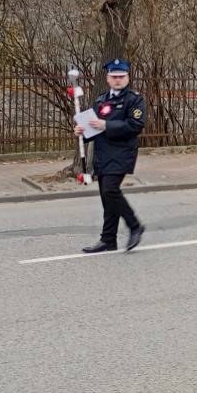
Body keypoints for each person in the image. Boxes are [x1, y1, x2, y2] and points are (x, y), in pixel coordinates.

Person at [75, 58, 146, 253]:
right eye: (114, 77)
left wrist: (107, 125)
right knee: (106, 196)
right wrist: (83, 132)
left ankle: (135, 225)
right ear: (107, 78)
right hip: (102, 153)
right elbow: (93, 128)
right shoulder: (101, 100)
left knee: (110, 190)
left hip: (122, 152)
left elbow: (136, 125)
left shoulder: (134, 99)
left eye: (121, 77)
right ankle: (108, 239)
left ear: (127, 77)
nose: (118, 80)